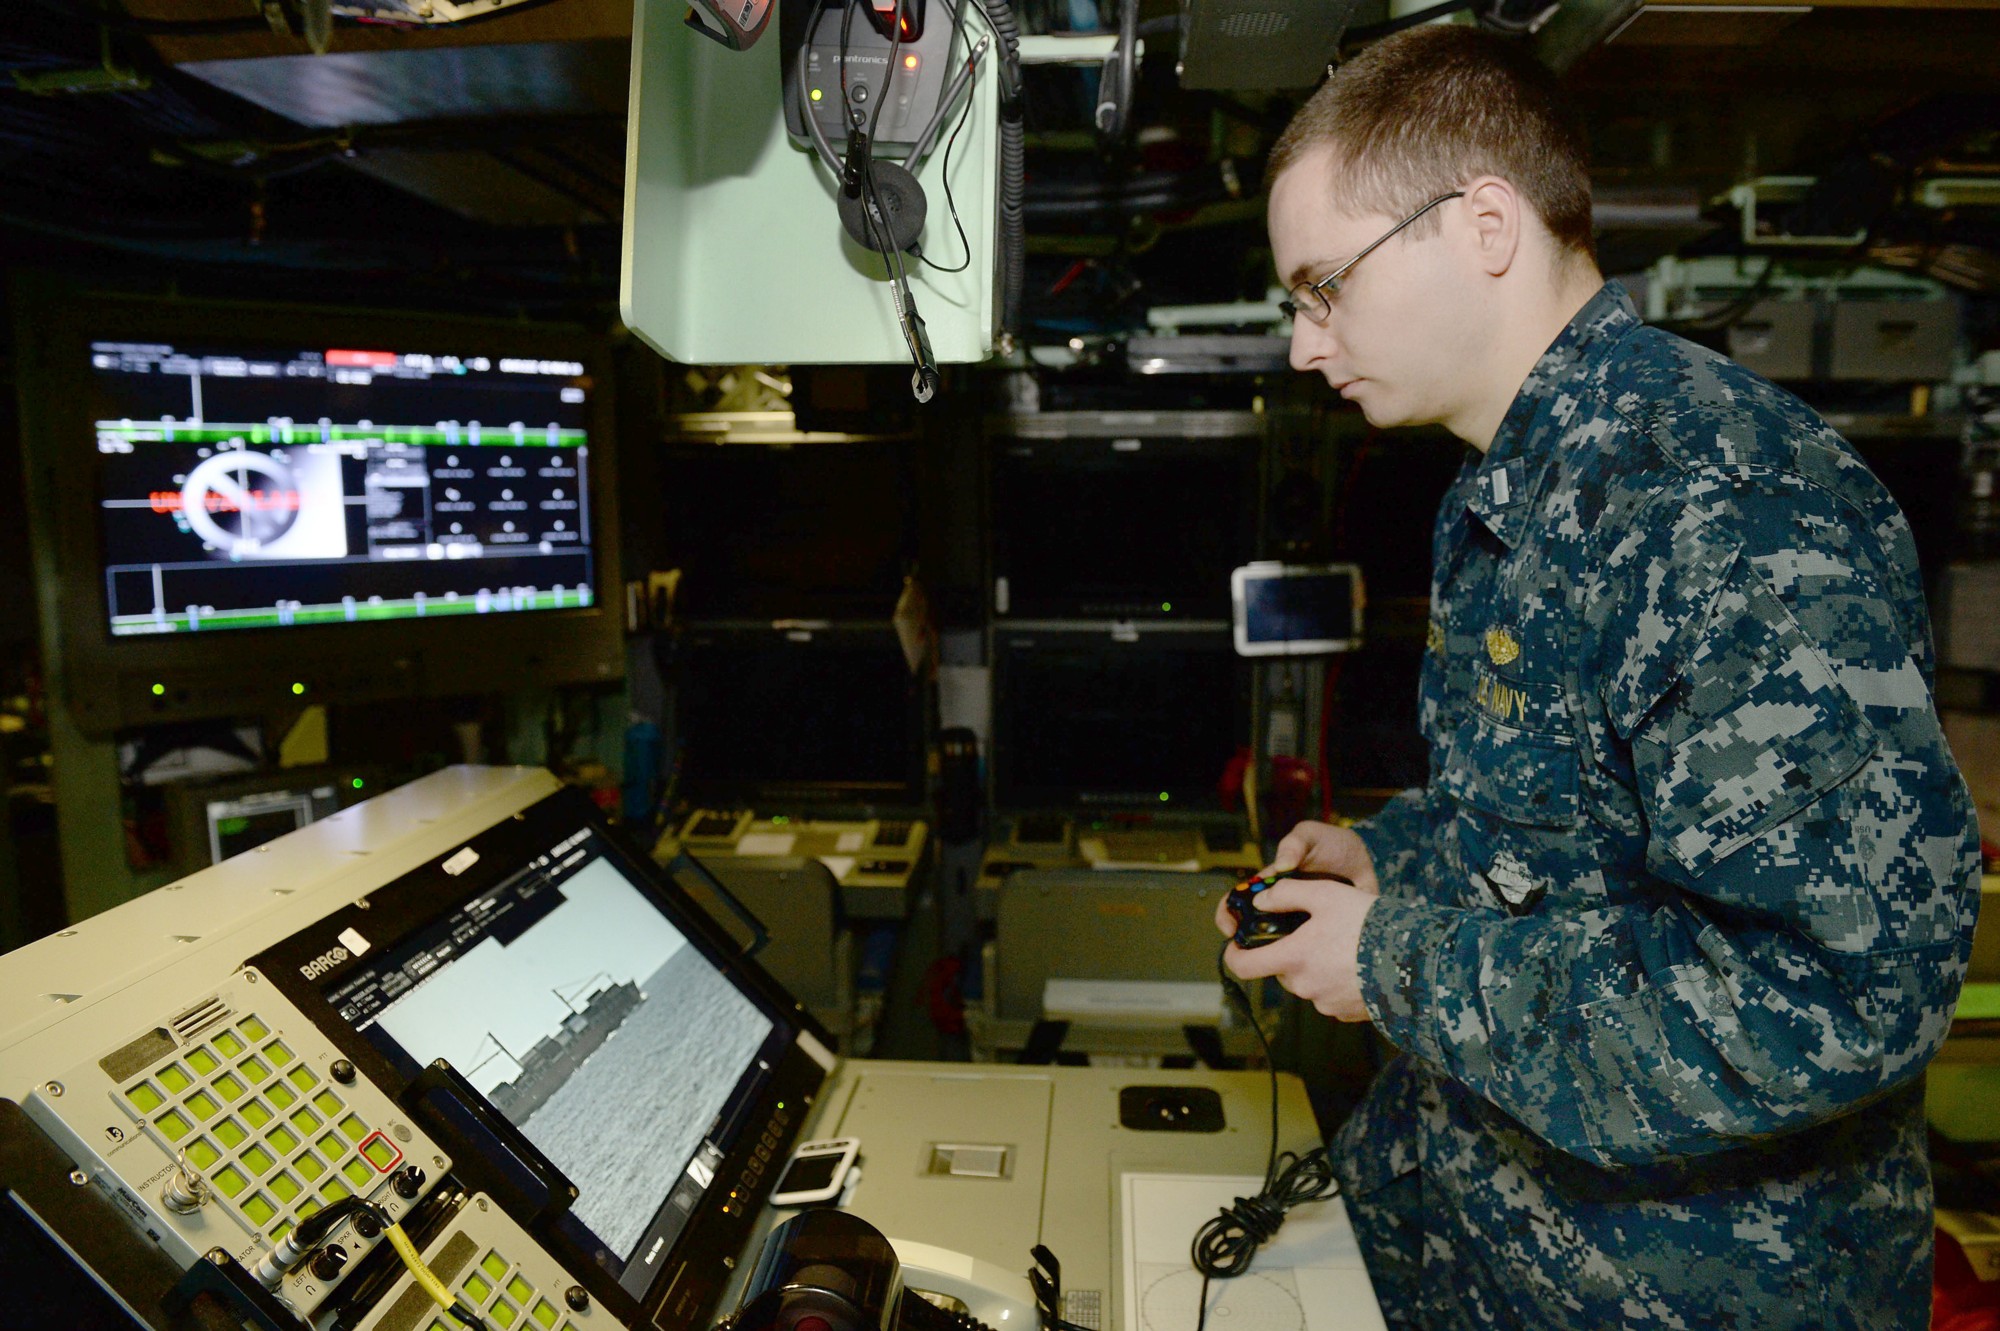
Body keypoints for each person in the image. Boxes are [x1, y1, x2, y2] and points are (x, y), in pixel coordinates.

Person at [1218, 23, 1983, 1331]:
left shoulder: (1716, 498)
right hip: (1502, 1250)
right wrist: (1393, 864)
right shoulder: (1518, 489)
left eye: (1324, 286)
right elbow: (1554, 841)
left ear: (1485, 226)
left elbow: (1832, 993)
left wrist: (1395, 963)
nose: (1303, 344)